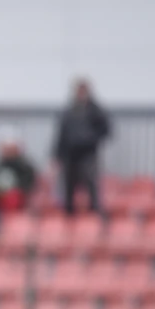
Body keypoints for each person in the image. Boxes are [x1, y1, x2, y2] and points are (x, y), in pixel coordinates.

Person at [54, 78, 110, 215]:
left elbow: (106, 130)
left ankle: (94, 211)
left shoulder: (95, 110)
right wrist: (57, 155)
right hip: (70, 154)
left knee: (90, 181)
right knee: (69, 183)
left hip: (88, 154)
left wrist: (89, 138)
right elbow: (61, 135)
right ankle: (68, 212)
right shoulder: (69, 111)